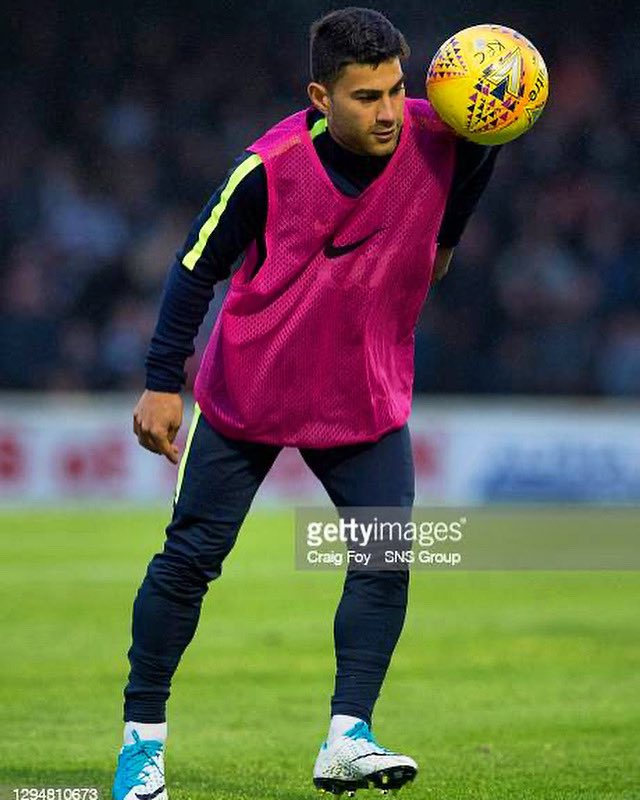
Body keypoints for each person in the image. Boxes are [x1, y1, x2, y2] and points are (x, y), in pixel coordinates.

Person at [112, 7, 500, 798]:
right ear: (320, 97)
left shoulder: (445, 135)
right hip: (249, 392)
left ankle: (347, 736)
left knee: (384, 564)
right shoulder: (269, 166)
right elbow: (194, 266)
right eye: (365, 97)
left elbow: (468, 182)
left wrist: (448, 226)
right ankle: (140, 747)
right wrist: (160, 382)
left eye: (395, 89)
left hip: (363, 397)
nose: (390, 111)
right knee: (188, 564)